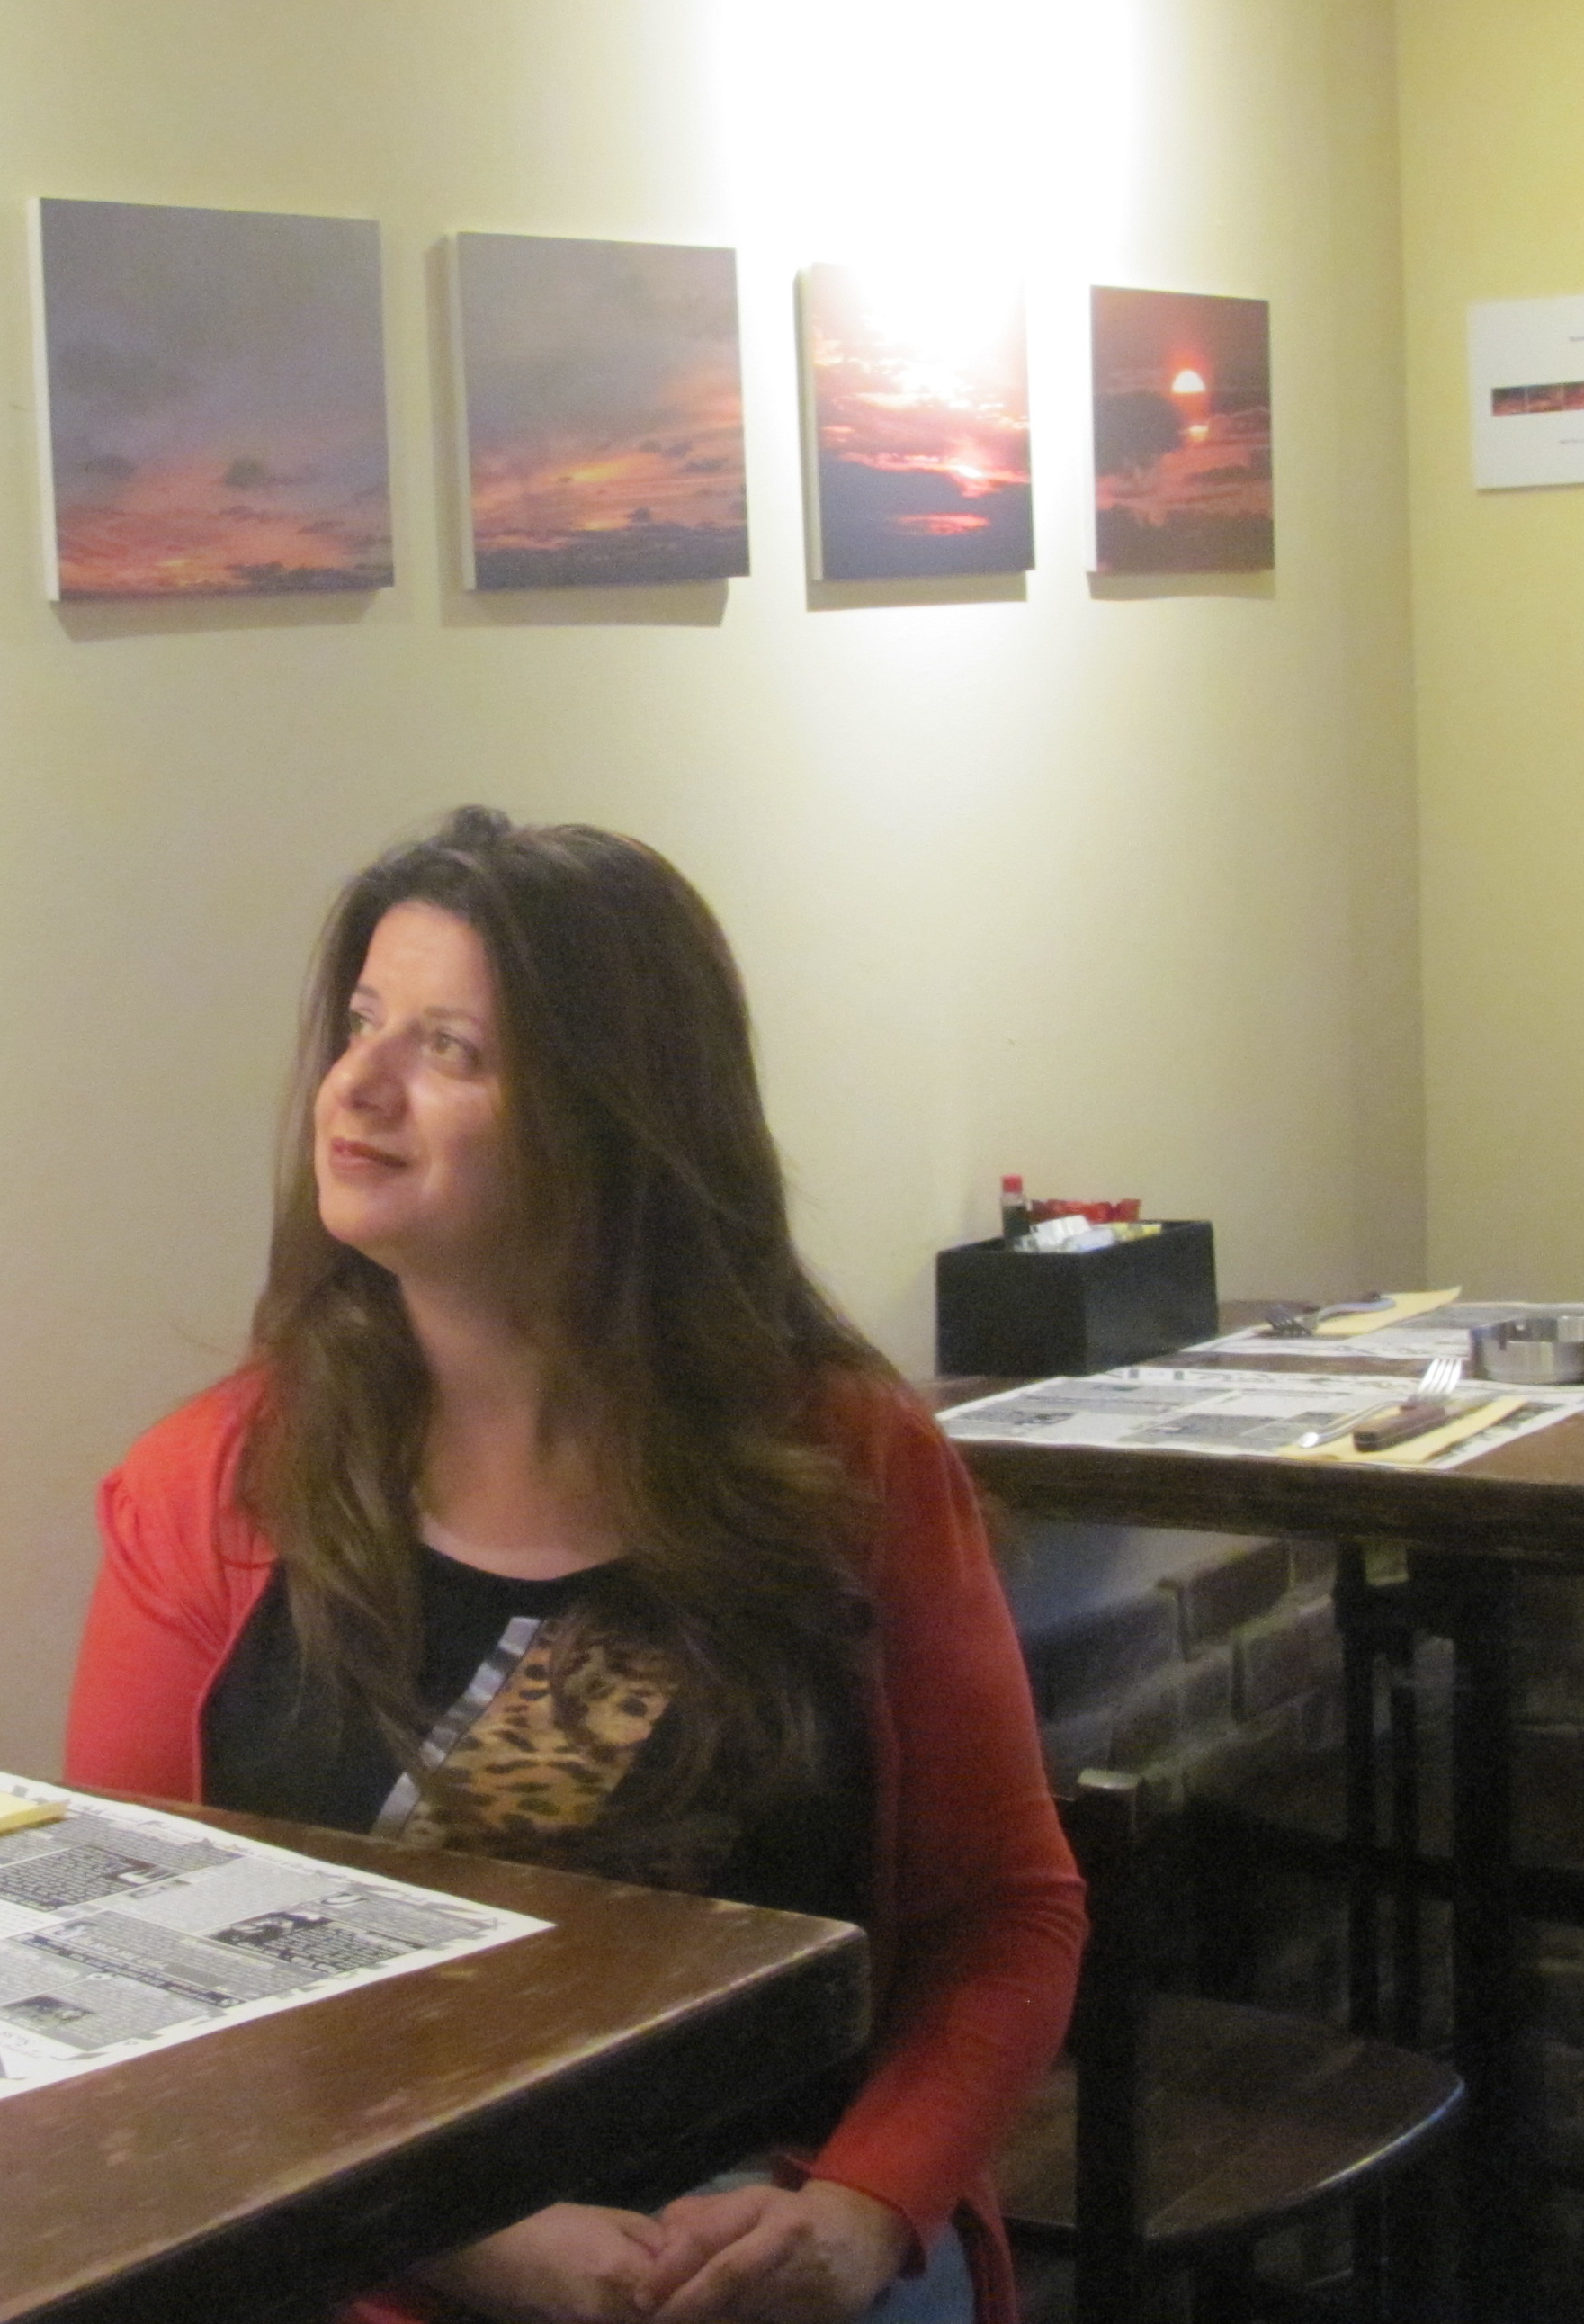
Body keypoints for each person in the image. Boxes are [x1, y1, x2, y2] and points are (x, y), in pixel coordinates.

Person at [66, 810, 1083, 2324]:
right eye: (361, 1024)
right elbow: (128, 1968)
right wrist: (472, 2235)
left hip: (771, 2236)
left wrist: (864, 2211)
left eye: (450, 1050)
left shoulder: (848, 1464)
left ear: (619, 1120)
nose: (358, 1087)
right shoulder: (210, 1486)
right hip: (357, 2246)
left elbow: (1005, 1917)